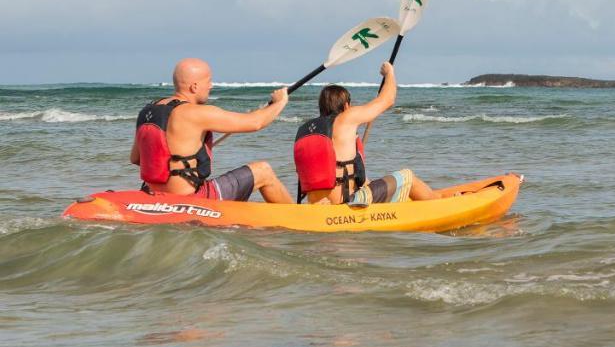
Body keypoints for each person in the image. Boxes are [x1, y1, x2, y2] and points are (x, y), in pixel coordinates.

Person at [130, 58, 291, 202]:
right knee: (263, 171)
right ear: (194, 86)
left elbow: (136, 158)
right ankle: (298, 218)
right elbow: (256, 122)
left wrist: (184, 157)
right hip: (190, 198)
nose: (211, 86)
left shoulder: (148, 111)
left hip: (151, 193)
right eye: (209, 81)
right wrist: (280, 102)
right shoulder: (197, 112)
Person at [293, 62, 434, 205]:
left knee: (372, 185)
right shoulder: (346, 117)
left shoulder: (305, 130)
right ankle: (438, 205)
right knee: (408, 177)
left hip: (317, 204)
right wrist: (389, 73)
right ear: (347, 106)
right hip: (346, 204)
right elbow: (387, 99)